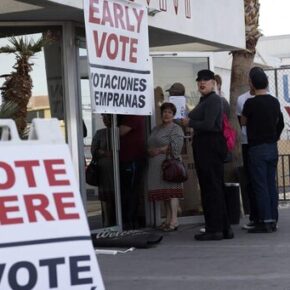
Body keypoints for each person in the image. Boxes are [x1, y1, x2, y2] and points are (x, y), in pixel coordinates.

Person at [181, 69, 233, 241]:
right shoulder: (206, 100)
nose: (202, 83)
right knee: (213, 187)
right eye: (199, 80)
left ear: (213, 83)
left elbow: (211, 125)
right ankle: (223, 228)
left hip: (209, 147)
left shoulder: (213, 100)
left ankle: (215, 229)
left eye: (206, 80)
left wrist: (190, 122)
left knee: (211, 188)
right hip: (206, 147)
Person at [241, 67, 284, 233]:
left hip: (256, 147)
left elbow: (243, 122)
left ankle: (264, 220)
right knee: (271, 184)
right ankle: (273, 219)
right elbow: (279, 123)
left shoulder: (250, 103)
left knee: (260, 185)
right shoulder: (274, 101)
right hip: (272, 146)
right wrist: (275, 136)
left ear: (251, 83)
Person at [147, 102, 184, 231]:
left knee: (172, 193)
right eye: (164, 112)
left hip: (170, 165)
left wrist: (159, 150)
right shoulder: (156, 128)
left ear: (173, 115)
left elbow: (176, 146)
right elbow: (149, 144)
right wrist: (151, 151)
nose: (166, 114)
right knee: (165, 195)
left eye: (169, 112)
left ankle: (174, 220)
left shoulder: (176, 128)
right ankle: (167, 219)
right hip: (156, 167)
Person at [119, 114, 146, 230]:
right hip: (128, 158)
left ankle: (130, 220)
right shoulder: (131, 116)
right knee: (128, 191)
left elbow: (120, 132)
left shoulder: (134, 115)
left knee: (130, 191)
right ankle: (128, 220)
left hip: (132, 159)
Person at [236, 88, 258, 230]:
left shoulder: (247, 101)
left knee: (258, 181)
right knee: (254, 180)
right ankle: (260, 217)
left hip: (254, 143)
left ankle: (262, 217)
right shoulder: (242, 99)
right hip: (249, 143)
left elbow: (242, 122)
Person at [91, 114, 115, 227]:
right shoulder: (100, 133)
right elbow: (94, 150)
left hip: (117, 168)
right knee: (105, 195)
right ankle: (106, 221)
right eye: (104, 118)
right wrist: (104, 153)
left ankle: (116, 220)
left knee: (116, 194)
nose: (106, 121)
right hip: (104, 169)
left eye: (108, 118)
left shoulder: (118, 131)